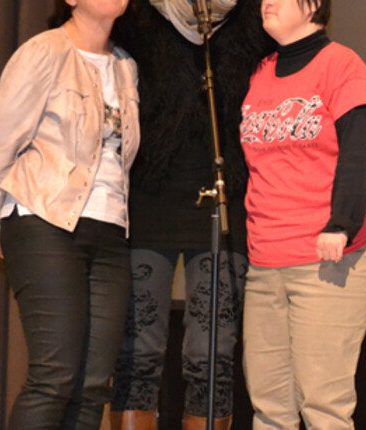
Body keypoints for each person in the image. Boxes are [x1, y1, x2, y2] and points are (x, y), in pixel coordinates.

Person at [107, 1, 272, 428]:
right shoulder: (138, 19)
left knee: (212, 354)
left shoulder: (253, 24)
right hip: (150, 201)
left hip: (224, 203)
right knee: (137, 351)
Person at [238, 0, 366, 428]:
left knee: (323, 405)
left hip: (330, 257)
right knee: (269, 407)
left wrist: (341, 225)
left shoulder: (342, 65)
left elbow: (360, 149)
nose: (268, 1)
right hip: (266, 261)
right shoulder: (259, 71)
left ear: (314, 5)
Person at [0, 0, 138, 428]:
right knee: (53, 377)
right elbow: (2, 140)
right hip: (44, 220)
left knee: (93, 386)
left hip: (110, 229)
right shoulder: (43, 52)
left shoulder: (125, 67)